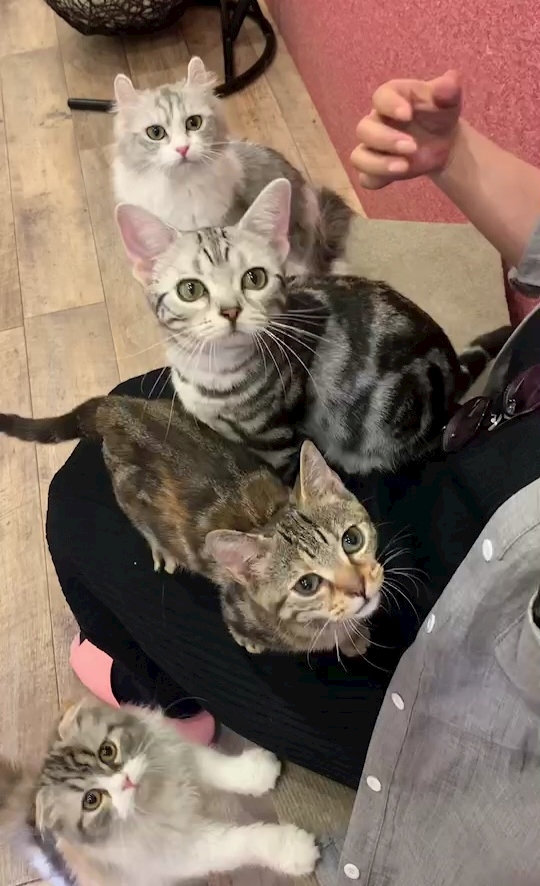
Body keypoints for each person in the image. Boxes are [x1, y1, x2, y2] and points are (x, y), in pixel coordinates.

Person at [46, 70, 540, 884]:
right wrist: (456, 155)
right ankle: (146, 660)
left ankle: (156, 682)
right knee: (131, 418)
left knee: (84, 502)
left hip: (455, 645)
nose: (228, 307)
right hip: (463, 443)